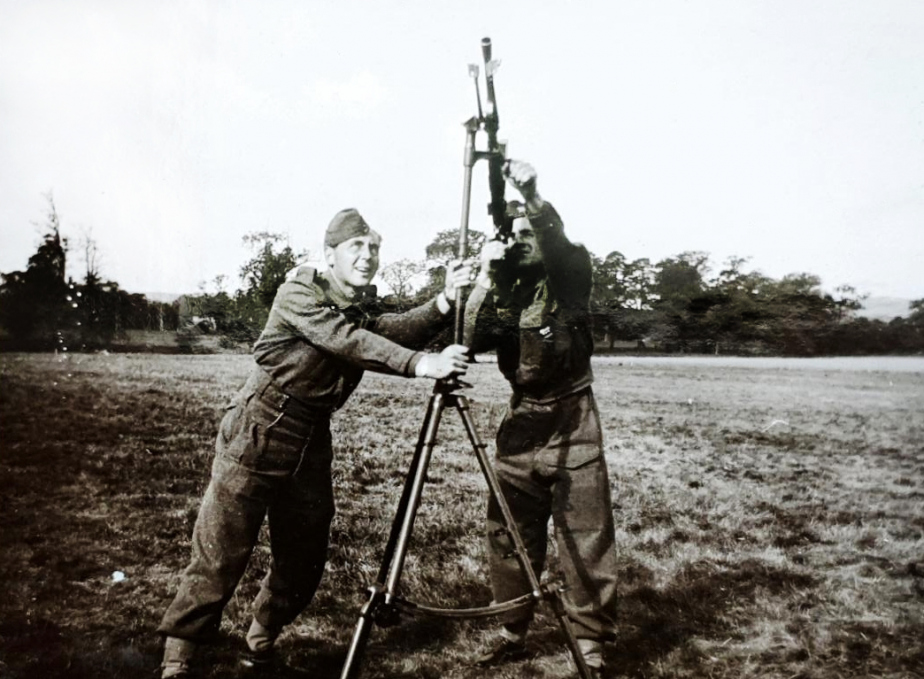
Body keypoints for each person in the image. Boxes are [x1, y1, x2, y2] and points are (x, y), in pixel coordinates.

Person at [157, 208, 472, 678]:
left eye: (373, 249)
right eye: (356, 248)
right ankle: (178, 659)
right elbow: (345, 340)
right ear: (330, 255)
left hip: (311, 438)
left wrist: (445, 302)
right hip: (258, 429)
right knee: (220, 552)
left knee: (304, 557)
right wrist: (421, 364)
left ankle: (260, 639)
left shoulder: (360, 306)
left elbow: (388, 330)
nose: (367, 257)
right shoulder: (299, 291)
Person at [467, 160, 618, 678]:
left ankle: (591, 645)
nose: (526, 241)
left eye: (533, 232)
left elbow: (563, 248)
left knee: (585, 535)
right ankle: (512, 630)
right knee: (508, 532)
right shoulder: (506, 296)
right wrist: (486, 277)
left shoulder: (571, 281)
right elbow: (467, 337)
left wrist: (530, 195)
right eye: (517, 235)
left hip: (575, 422)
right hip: (521, 427)